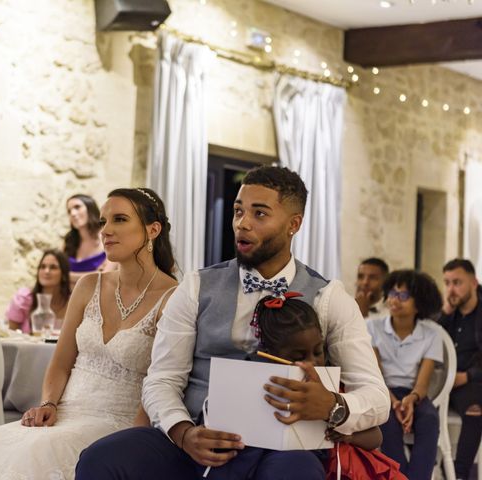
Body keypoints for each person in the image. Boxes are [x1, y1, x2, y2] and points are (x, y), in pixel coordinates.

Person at [76, 165, 389, 480]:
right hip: (198, 439)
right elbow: (162, 379)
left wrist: (333, 406)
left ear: (293, 224)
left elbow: (376, 397)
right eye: (238, 211)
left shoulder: (330, 297)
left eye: (260, 214)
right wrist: (183, 433)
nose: (243, 224)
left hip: (282, 448)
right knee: (101, 458)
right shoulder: (196, 286)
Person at [0, 188, 178, 480]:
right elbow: (62, 362)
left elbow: (163, 380)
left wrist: (134, 443)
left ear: (152, 230)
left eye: (120, 219)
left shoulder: (173, 297)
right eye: (103, 222)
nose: (107, 231)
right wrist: (48, 403)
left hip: (117, 423)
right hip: (64, 413)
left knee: (29, 460)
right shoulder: (89, 285)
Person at [251, 293, 403, 480]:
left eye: (318, 352)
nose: (312, 363)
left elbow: (376, 437)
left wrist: (347, 433)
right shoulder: (254, 388)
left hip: (336, 469)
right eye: (298, 357)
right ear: (268, 355)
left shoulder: (327, 387)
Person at [367, 269, 443, 480]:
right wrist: (392, 401)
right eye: (392, 293)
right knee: (387, 422)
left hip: (414, 393)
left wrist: (410, 400)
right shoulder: (372, 328)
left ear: (419, 304)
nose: (394, 300)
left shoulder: (431, 335)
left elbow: (423, 383)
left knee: (429, 419)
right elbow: (374, 374)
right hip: (381, 389)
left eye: (403, 296)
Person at [439, 258, 482, 480]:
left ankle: (459, 474)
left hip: (471, 383)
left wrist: (467, 376)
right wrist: (445, 312)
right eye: (447, 283)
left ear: (474, 283)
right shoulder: (448, 313)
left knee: (475, 409)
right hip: (442, 382)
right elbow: (430, 344)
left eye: (457, 282)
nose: (451, 289)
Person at [5, 249, 71, 334]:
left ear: (64, 275)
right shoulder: (24, 298)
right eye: (42, 267)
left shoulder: (73, 302)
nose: (46, 271)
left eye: (53, 267)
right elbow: (11, 336)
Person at [64, 194, 115, 283]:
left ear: (90, 208)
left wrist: (68, 276)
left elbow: (105, 277)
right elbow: (59, 275)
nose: (72, 213)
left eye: (77, 207)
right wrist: (95, 274)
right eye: (69, 211)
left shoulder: (108, 237)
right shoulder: (69, 241)